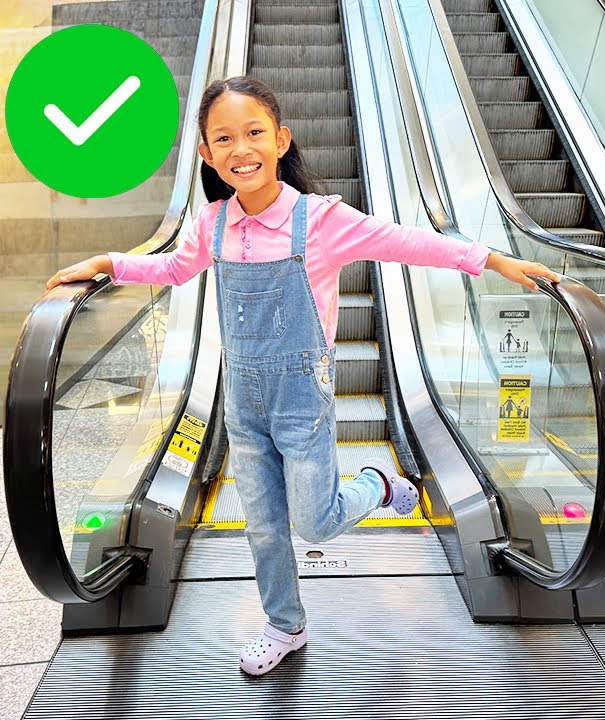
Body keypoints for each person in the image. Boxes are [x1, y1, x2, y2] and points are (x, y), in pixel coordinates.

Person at [46, 76, 559, 675]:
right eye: (224, 138)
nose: (242, 149)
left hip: (301, 397)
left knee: (315, 520)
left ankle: (377, 485)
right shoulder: (211, 224)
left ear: (282, 139)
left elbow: (408, 243)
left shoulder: (321, 220)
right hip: (242, 398)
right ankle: (284, 624)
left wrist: (492, 259)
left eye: (255, 132)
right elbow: (174, 270)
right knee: (264, 526)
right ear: (208, 155)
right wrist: (109, 263)